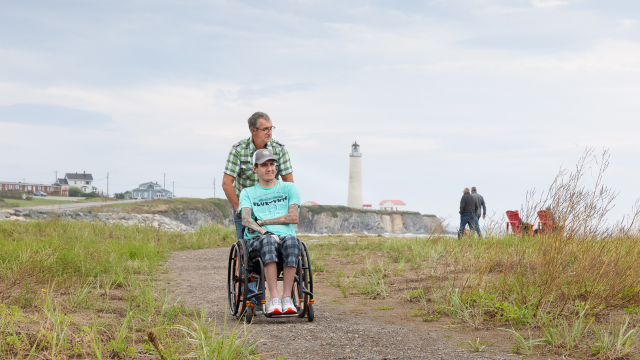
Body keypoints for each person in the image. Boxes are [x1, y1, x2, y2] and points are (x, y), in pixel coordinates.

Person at [222, 112, 294, 310]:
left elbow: (289, 182)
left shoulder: (279, 149)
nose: (269, 132)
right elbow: (227, 183)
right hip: (247, 209)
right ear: (253, 131)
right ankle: (252, 298)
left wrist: (286, 211)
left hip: (274, 210)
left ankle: (287, 296)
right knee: (248, 257)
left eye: (271, 128)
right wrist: (239, 207)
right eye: (265, 129)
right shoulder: (239, 150)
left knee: (287, 243)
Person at [239, 148, 301, 315]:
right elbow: (246, 219)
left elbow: (293, 217)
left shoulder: (290, 188)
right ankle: (274, 298)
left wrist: (265, 221)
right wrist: (263, 231)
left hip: (285, 238)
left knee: (292, 242)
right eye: (264, 165)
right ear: (255, 168)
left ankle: (287, 298)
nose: (269, 168)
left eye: (272, 164)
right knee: (268, 241)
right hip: (259, 240)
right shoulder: (247, 193)